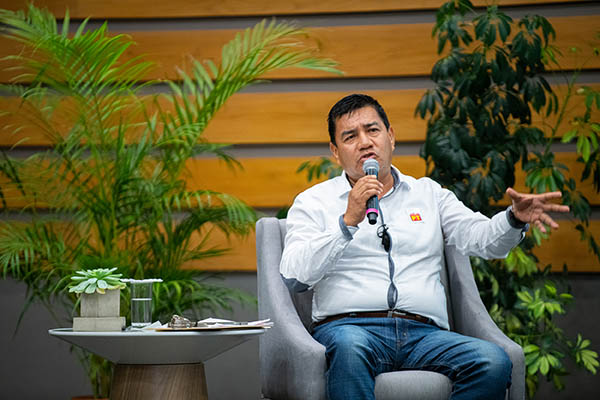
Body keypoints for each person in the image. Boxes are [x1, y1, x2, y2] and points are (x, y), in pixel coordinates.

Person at [279, 94, 570, 400]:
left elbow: (482, 239)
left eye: (373, 130)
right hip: (350, 329)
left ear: (391, 137)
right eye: (350, 137)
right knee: (350, 348)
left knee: (492, 361)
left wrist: (513, 219)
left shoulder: (429, 194)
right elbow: (294, 276)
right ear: (336, 152)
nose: (365, 142)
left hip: (424, 335)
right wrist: (346, 222)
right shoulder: (313, 202)